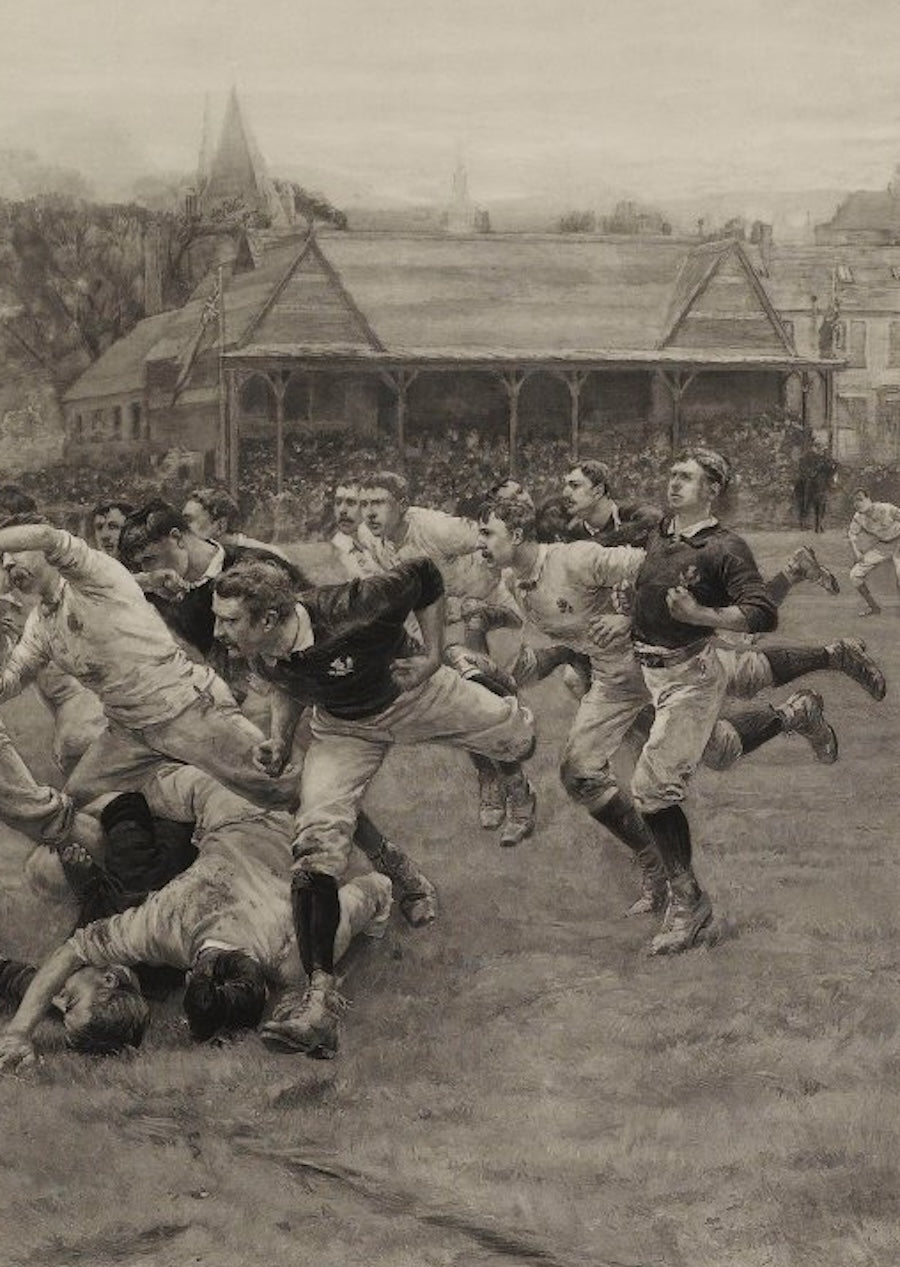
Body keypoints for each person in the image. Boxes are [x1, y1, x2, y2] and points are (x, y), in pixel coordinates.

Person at [211, 557, 535, 1058]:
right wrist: (279, 737)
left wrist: (429, 656)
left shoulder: (352, 607)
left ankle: (475, 679)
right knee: (315, 841)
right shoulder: (256, 647)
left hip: (415, 696)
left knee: (516, 737)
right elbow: (285, 682)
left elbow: (426, 575)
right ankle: (319, 1001)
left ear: (269, 619)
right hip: (344, 728)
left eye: (229, 620)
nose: (219, 630)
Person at [118, 499, 438, 927]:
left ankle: (401, 875)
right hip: (230, 704)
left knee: (319, 795)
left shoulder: (253, 565)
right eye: (141, 567)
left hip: (292, 694)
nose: (151, 573)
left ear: (177, 537)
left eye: (151, 560)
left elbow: (314, 627)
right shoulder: (165, 590)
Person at [0, 762, 391, 1069]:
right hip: (252, 797)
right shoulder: (171, 920)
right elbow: (380, 886)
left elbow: (373, 889)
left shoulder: (180, 922)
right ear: (187, 977)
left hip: (253, 800)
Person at [0, 518, 296, 810]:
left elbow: (46, 535)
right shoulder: (39, 625)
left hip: (185, 706)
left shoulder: (93, 577)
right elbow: (13, 678)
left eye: (15, 553)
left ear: (42, 553)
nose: (8, 565)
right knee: (78, 803)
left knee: (275, 784)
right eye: (3, 561)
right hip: (127, 730)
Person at [629, 447, 778, 955]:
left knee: (651, 788)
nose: (673, 484)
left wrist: (700, 615)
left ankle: (688, 904)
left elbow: (762, 613)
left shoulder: (725, 547)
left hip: (690, 676)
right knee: (716, 749)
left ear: (712, 490)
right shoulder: (659, 534)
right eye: (672, 475)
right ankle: (792, 713)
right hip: (647, 676)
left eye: (686, 479)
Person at [847, 488, 900, 616]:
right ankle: (874, 608)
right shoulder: (858, 517)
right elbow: (852, 535)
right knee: (855, 575)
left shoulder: (886, 508)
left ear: (868, 499)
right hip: (883, 546)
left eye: (860, 499)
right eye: (855, 501)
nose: (857, 503)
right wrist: (857, 552)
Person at [329, 480, 382, 580]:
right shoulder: (332, 552)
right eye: (338, 503)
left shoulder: (381, 544)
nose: (342, 510)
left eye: (351, 503)